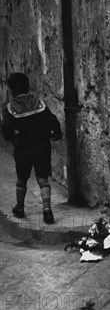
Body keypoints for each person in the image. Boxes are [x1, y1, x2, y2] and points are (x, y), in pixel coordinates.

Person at [1, 73, 62, 223]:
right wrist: (56, 134)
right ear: (28, 87)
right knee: (43, 179)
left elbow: (7, 131)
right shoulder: (39, 103)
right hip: (42, 146)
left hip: (23, 149)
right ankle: (47, 210)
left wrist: (12, 138)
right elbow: (53, 120)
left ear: (11, 91)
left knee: (22, 179)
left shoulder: (9, 108)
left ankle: (20, 207)